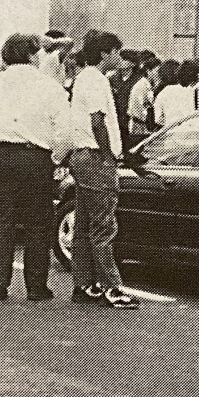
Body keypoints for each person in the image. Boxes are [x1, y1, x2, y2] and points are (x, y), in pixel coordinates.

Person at [0, 34, 70, 301]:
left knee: (1, 220)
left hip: (1, 156)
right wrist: (54, 159)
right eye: (37, 53)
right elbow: (64, 132)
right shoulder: (49, 87)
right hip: (36, 158)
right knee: (38, 222)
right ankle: (36, 285)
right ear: (30, 55)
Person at [65, 31, 140, 310]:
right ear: (106, 53)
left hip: (81, 156)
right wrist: (109, 156)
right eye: (116, 52)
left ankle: (84, 284)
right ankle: (112, 287)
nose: (119, 58)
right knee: (104, 226)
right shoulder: (96, 80)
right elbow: (98, 121)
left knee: (84, 225)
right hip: (95, 158)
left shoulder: (84, 77)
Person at [107, 49, 140, 154]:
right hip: (114, 117)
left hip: (130, 120)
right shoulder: (111, 78)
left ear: (132, 63)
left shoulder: (139, 80)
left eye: (123, 59)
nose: (119, 61)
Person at [127, 55, 161, 148]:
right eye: (157, 71)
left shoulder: (148, 85)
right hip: (139, 126)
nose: (158, 74)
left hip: (143, 125)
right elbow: (141, 108)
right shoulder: (142, 85)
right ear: (148, 71)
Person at [155, 60, 199, 128]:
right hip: (191, 129)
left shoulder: (161, 94)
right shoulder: (190, 89)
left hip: (172, 132)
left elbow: (158, 120)